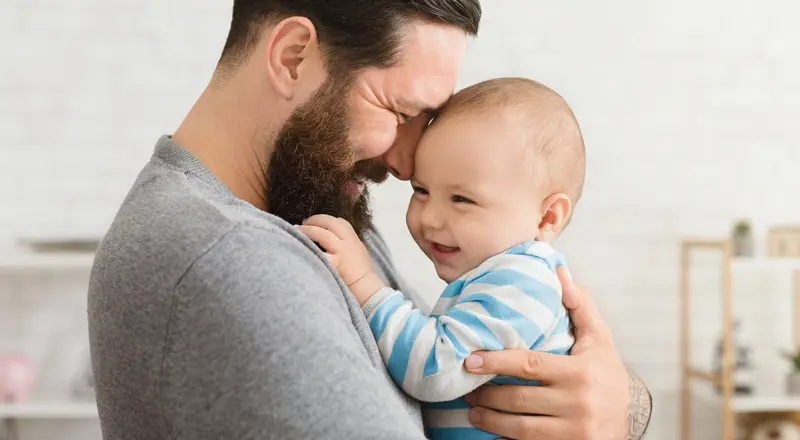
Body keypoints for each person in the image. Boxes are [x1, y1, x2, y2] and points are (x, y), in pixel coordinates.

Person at [87, 2, 652, 439]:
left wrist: (614, 401)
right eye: (401, 112)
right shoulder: (227, 256)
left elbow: (440, 359)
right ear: (293, 56)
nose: (407, 164)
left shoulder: (315, 207)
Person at [299, 77, 584, 440]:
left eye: (461, 199)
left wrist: (365, 285)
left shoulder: (523, 280)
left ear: (547, 218)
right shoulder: (496, 277)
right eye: (421, 190)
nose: (430, 217)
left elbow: (436, 368)